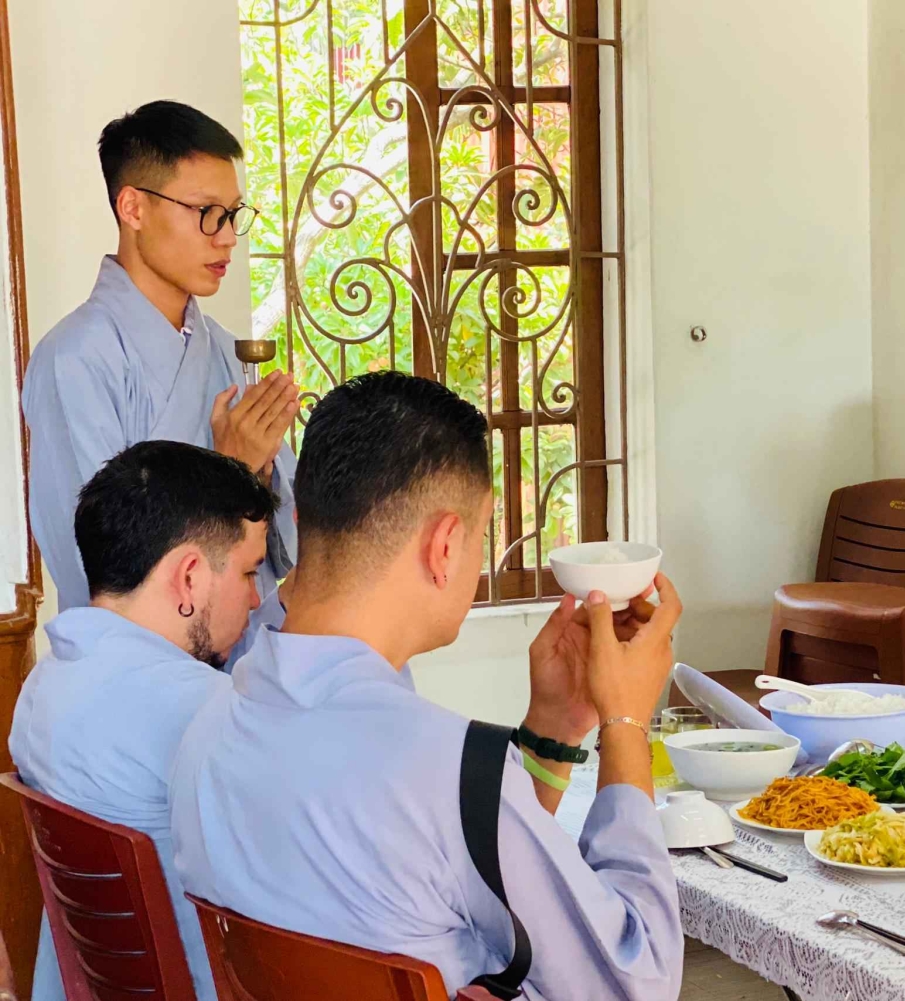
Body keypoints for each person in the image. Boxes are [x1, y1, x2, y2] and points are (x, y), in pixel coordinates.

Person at [170, 371, 684, 1000]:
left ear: (304, 519)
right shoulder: (440, 764)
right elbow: (639, 980)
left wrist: (555, 724)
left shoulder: (211, 725)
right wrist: (625, 722)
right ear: (444, 545)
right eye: (481, 533)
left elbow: (471, 870)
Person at [10, 440, 278, 1001]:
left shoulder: (42, 687)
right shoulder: (208, 710)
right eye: (250, 572)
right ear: (189, 577)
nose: (256, 601)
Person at [22, 100, 298, 624]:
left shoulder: (223, 348)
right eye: (206, 213)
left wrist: (259, 475)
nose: (227, 237)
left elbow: (286, 544)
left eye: (234, 214)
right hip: (140, 672)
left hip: (243, 657)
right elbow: (100, 569)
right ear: (133, 209)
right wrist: (232, 473)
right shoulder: (75, 359)